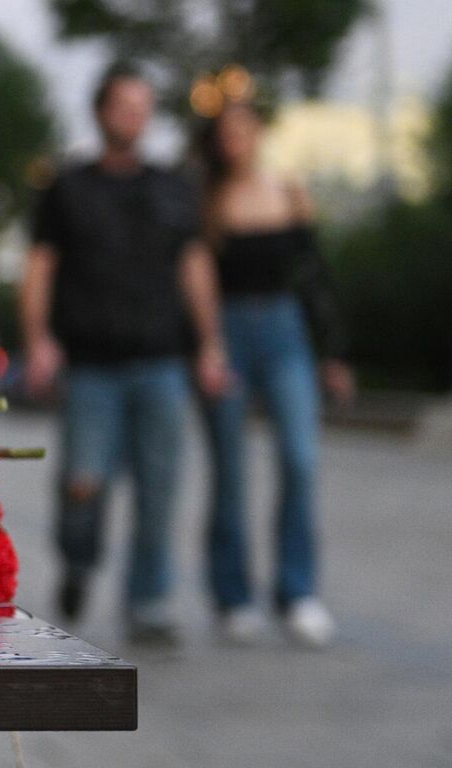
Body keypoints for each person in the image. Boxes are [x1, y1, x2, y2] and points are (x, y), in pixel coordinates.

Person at [19, 63, 230, 646]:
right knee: (82, 486)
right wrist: (39, 340)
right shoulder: (67, 187)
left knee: (160, 489)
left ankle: (149, 602)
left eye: (143, 107)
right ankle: (79, 561)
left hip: (161, 362)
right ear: (100, 112)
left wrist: (210, 345)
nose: (133, 117)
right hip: (91, 366)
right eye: (123, 106)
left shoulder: (172, 187)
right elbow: (40, 267)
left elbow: (194, 265)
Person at [193, 100, 350, 647]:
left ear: (259, 132)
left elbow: (315, 276)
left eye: (244, 129)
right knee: (230, 471)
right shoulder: (208, 201)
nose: (235, 140)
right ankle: (233, 596)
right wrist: (206, 346)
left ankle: (298, 591)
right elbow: (196, 280)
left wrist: (333, 353)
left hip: (285, 331)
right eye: (225, 133)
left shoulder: (288, 191)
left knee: (301, 461)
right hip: (228, 331)